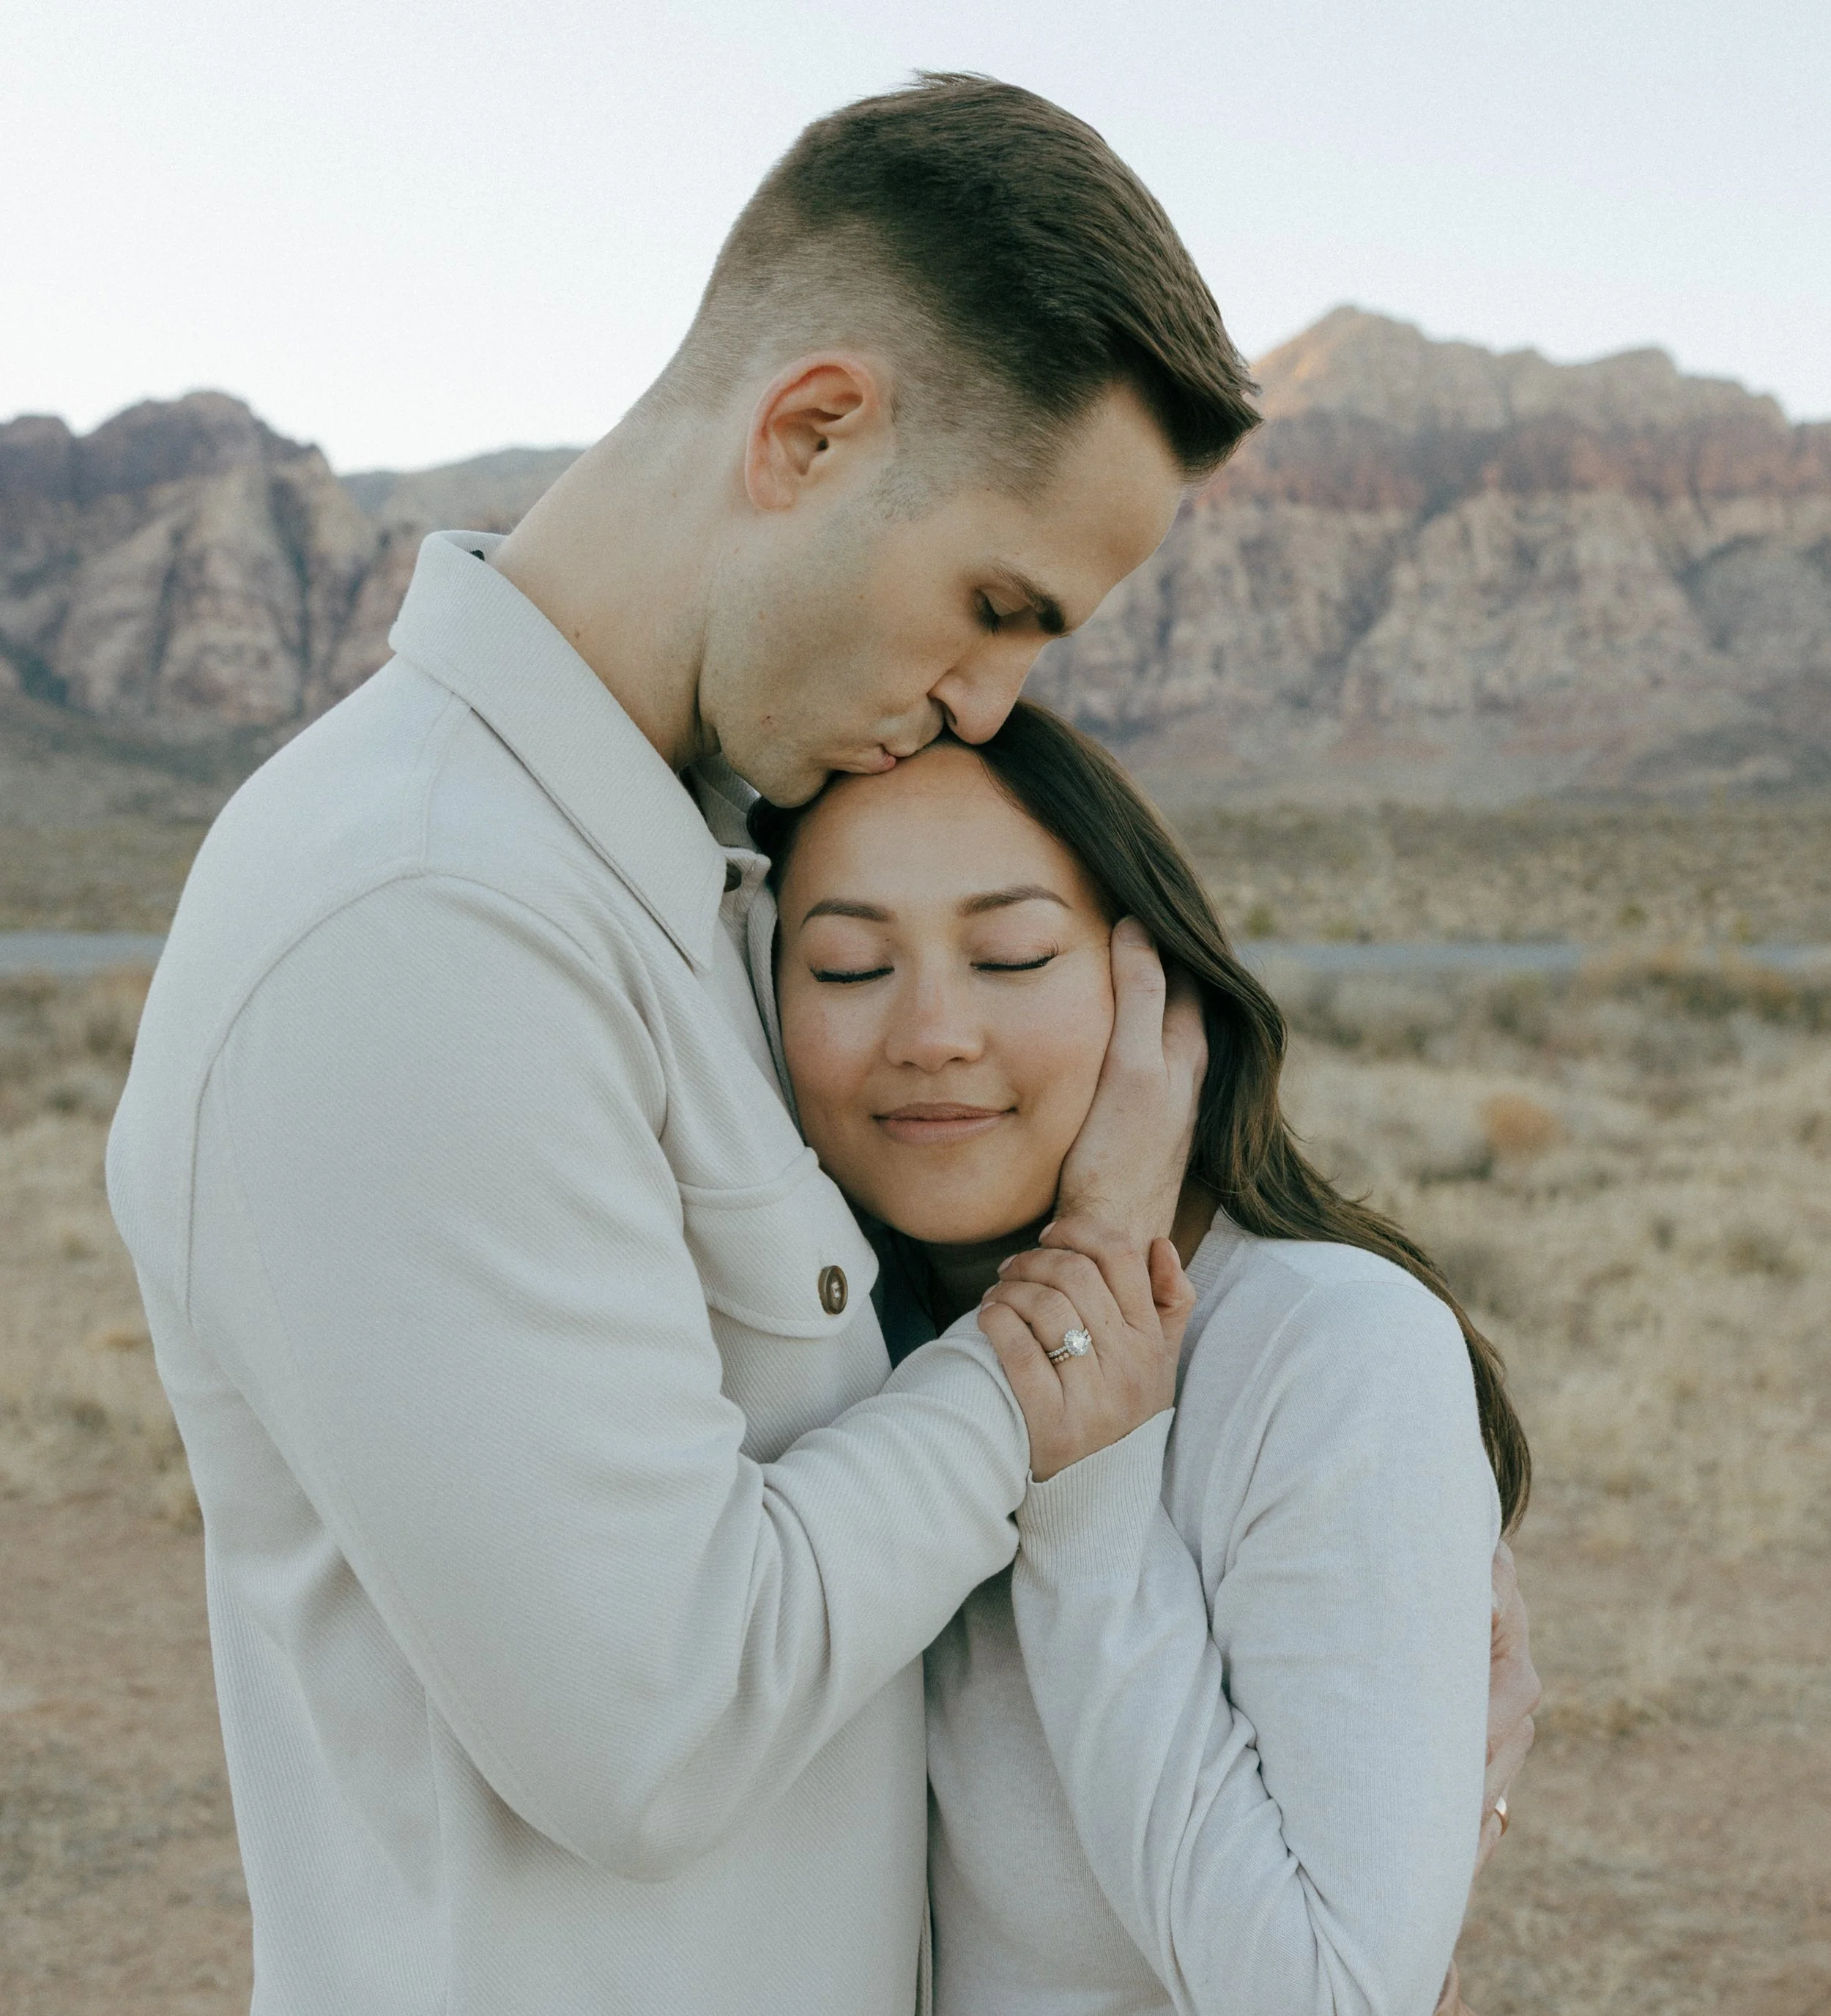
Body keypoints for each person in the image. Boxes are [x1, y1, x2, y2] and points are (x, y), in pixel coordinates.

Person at [105, 74, 1531, 2016]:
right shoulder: (422, 919)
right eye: (991, 606)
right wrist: (1053, 1358)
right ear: (813, 431)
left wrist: (1337, 1655)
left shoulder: (678, 884)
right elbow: (661, 1720)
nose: (980, 703)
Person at [753, 703, 1537, 2014]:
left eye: (1009, 955)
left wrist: (1095, 1508)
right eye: (843, 969)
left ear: (1151, 990)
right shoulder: (808, 1359)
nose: (933, 1031)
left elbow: (1328, 1998)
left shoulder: (1325, 1351)